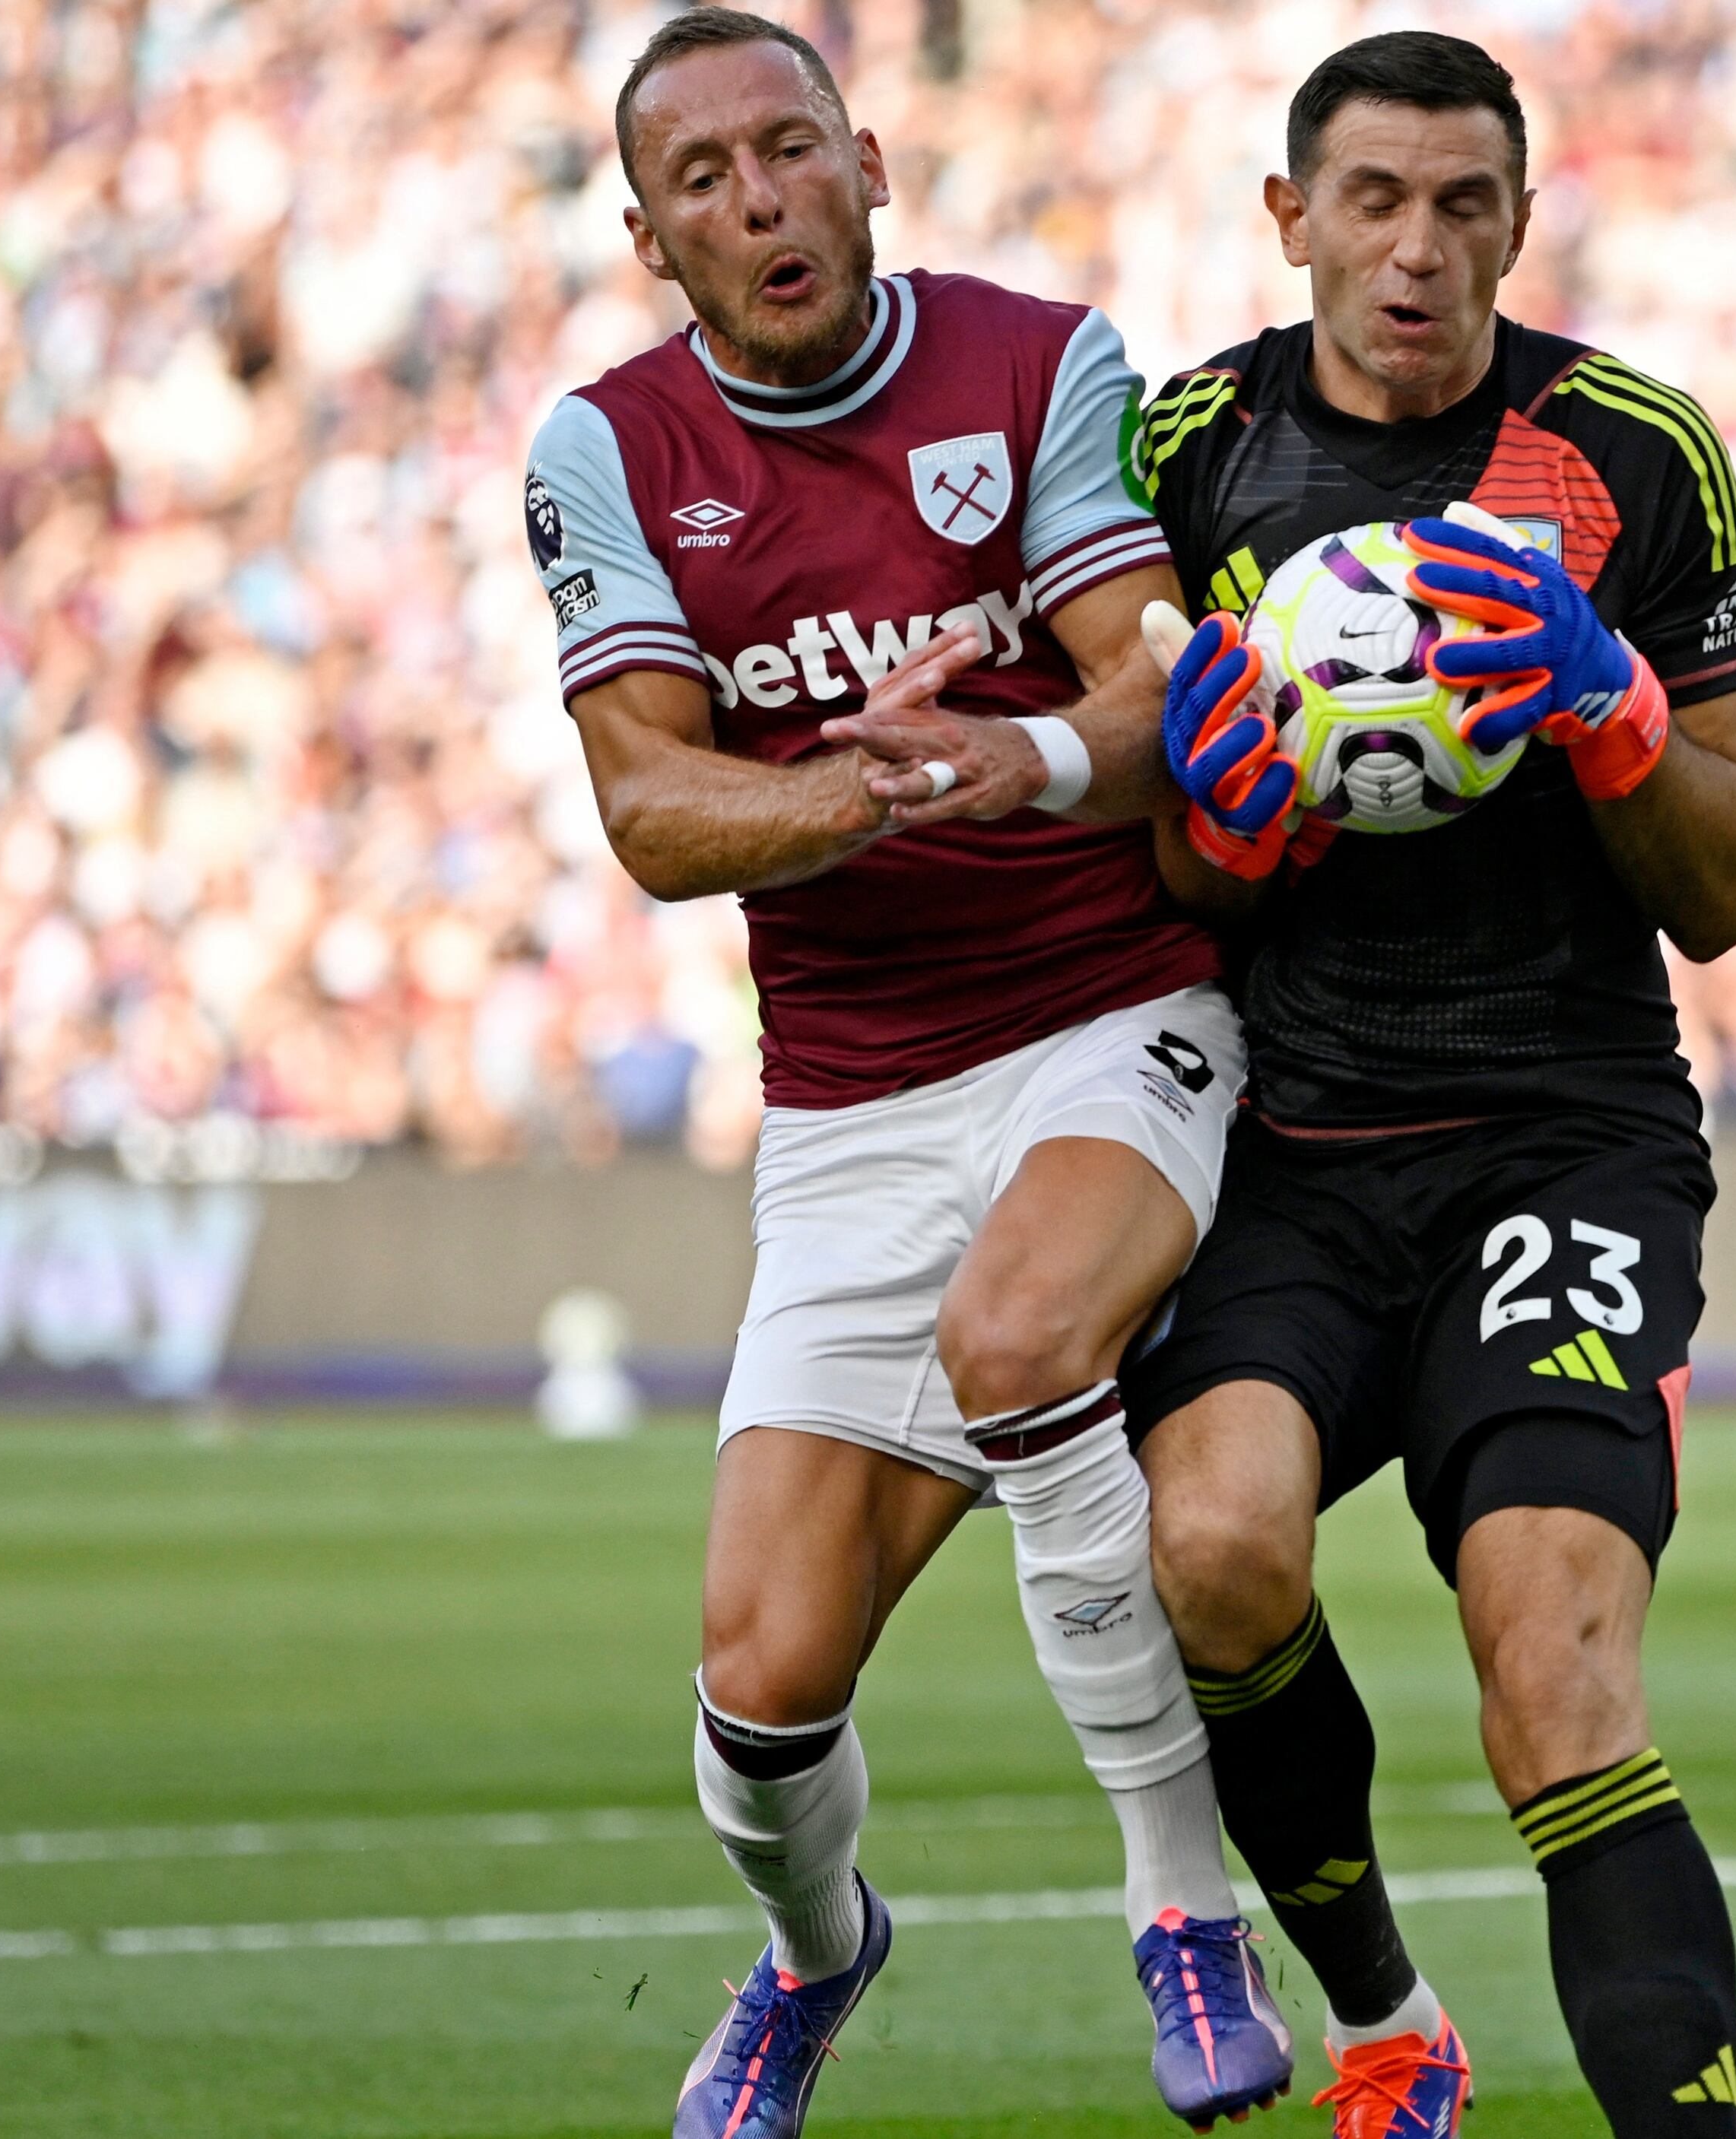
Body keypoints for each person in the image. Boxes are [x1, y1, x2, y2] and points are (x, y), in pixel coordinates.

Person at [524, 12, 1292, 2134]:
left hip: (1108, 1013)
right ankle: (816, 1948)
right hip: (852, 1106)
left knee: (1027, 1323)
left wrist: (1013, 754)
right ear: (651, 233)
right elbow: (657, 818)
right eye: (705, 178)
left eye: (791, 151)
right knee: (765, 1683)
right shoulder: (602, 450)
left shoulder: (1040, 362)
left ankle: (1180, 1905)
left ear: (869, 163)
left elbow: (1156, 692)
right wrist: (871, 787)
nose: (759, 198)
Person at [1121, 30, 1736, 2139]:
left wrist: (1611, 718)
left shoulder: (1632, 452)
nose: (1418, 249)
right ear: (1291, 218)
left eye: (1464, 203)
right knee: (1211, 1547)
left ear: (1520, 215)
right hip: (1290, 1148)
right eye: (1374, 201)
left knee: (1555, 1672)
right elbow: (1160, 869)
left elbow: (1730, 880)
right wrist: (1227, 823)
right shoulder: (1188, 450)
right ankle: (1390, 2016)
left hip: (1562, 1135)